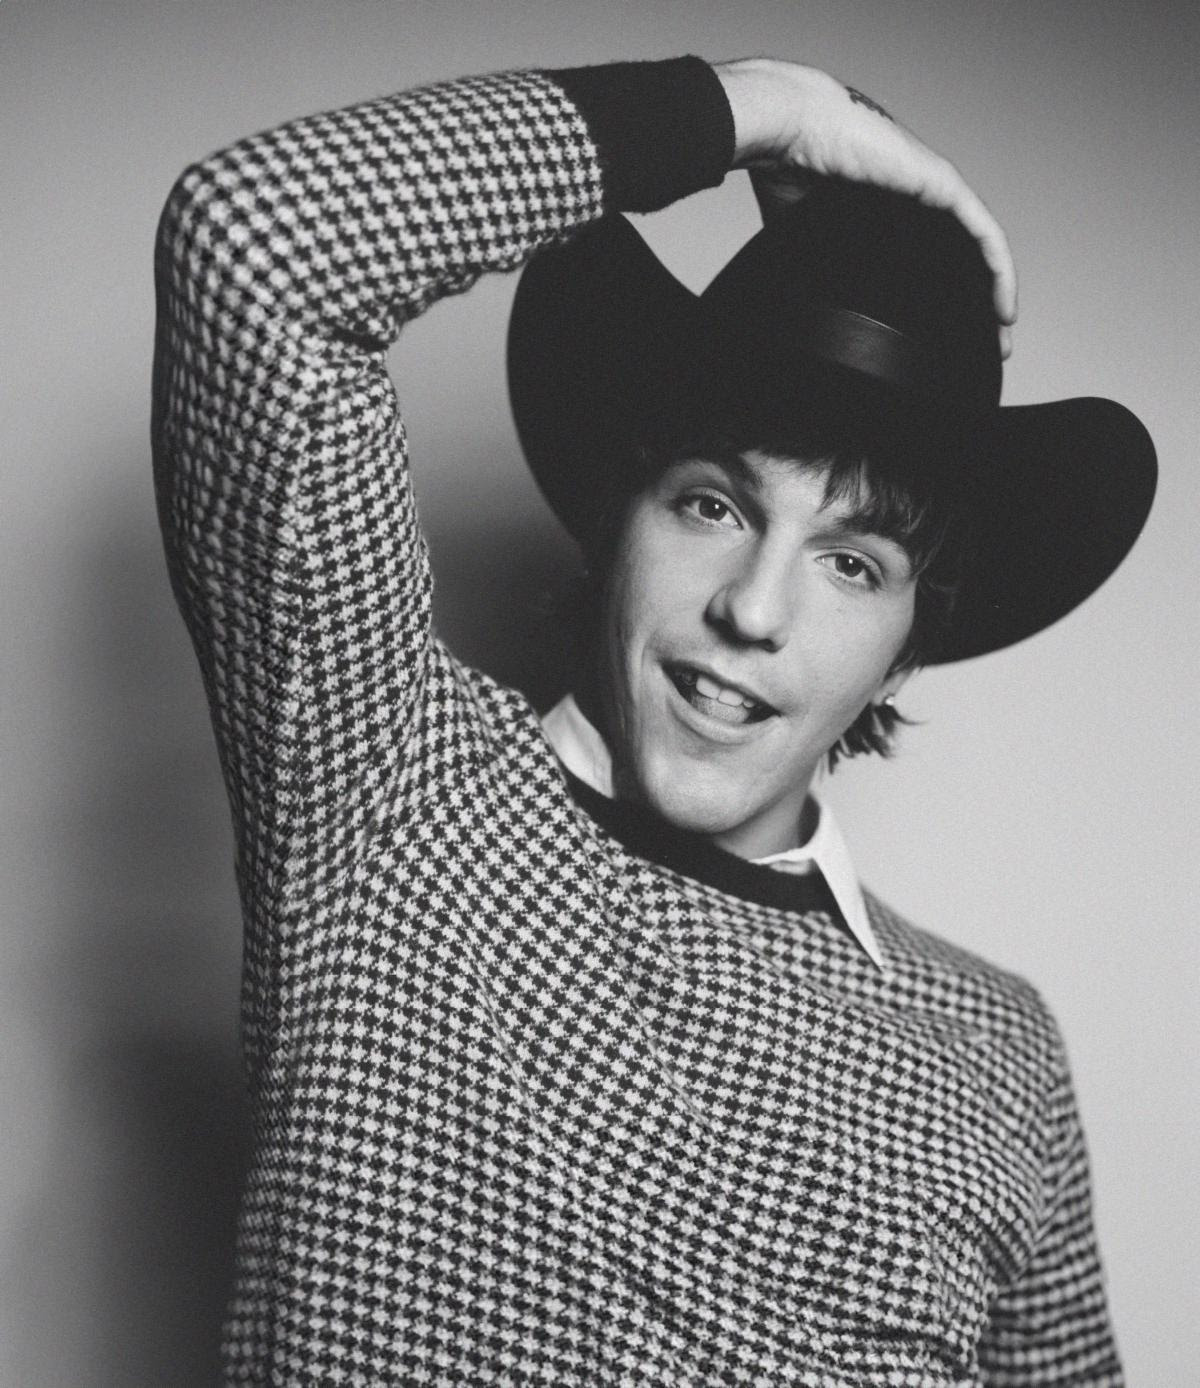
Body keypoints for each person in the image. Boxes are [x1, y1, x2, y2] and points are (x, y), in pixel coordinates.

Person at [152, 53, 1153, 1386]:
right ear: (617, 515)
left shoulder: (999, 1045)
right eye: (713, 505)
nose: (755, 608)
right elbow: (255, 243)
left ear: (906, 650)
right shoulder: (398, 794)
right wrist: (765, 111)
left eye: (853, 565)